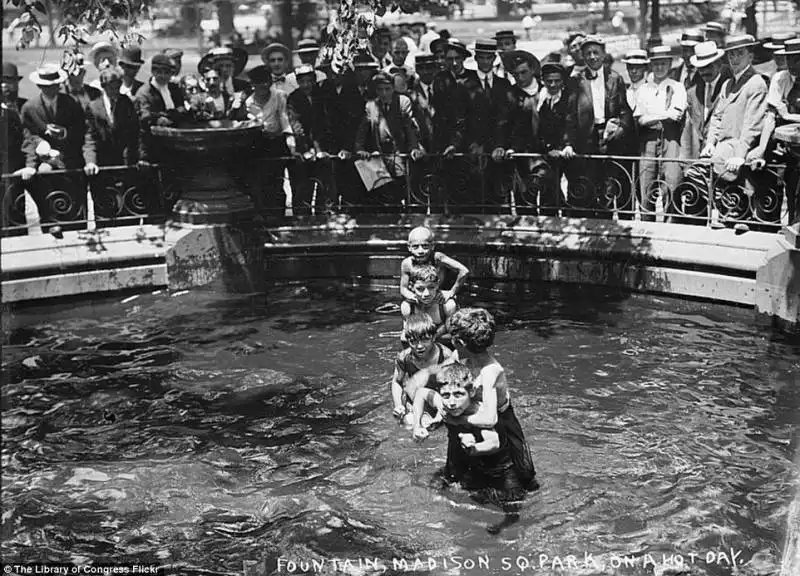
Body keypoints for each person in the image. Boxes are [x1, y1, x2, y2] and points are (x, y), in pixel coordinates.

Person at [412, 362, 527, 534]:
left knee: (511, 504)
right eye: (446, 395)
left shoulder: (479, 414)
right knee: (448, 483)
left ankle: (506, 524)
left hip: (499, 466)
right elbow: (421, 393)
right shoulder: (444, 405)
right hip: (466, 457)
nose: (451, 402)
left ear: (471, 392)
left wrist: (475, 447)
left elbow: (494, 442)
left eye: (459, 395)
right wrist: (416, 426)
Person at [562, 35, 633, 219]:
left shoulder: (615, 78)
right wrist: (568, 143)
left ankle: (608, 227)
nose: (592, 57)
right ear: (583, 57)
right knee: (586, 185)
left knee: (608, 186)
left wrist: (620, 129)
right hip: (585, 138)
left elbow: (624, 110)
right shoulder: (576, 81)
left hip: (609, 138)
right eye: (588, 54)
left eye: (596, 53)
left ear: (603, 54)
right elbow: (570, 116)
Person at [635, 45, 687, 221]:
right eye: (656, 64)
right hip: (648, 139)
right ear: (651, 65)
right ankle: (646, 226)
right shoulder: (644, 89)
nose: (659, 68)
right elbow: (641, 119)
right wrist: (664, 115)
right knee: (647, 184)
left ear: (670, 64)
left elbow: (676, 116)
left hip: (671, 139)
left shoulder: (678, 87)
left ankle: (670, 226)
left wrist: (654, 116)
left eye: (663, 63)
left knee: (671, 184)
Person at [390, 313, 453, 420]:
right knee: (408, 422)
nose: (419, 346)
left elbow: (453, 387)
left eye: (425, 340)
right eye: (413, 341)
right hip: (415, 398)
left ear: (433, 337)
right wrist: (398, 405)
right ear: (407, 340)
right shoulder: (404, 357)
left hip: (438, 398)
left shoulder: (446, 356)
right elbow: (397, 382)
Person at [84, 66, 139, 167]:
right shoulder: (93, 107)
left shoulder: (128, 103)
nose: (115, 91)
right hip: (102, 162)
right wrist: (91, 162)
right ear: (103, 86)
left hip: (126, 162)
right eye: (111, 88)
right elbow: (90, 138)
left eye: (117, 87)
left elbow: (134, 133)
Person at [400, 226, 469, 305]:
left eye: (425, 246)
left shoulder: (437, 258)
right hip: (420, 297)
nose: (420, 251)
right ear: (409, 247)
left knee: (450, 305)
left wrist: (451, 292)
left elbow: (464, 271)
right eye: (415, 247)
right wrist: (414, 297)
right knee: (405, 306)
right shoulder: (407, 263)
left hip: (438, 297)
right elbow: (403, 289)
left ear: (432, 246)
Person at [400, 264, 458, 344]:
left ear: (437, 285)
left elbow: (452, 333)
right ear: (412, 287)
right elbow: (406, 335)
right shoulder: (408, 307)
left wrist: (434, 337)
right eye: (420, 289)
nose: (426, 294)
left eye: (431, 287)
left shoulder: (447, 305)